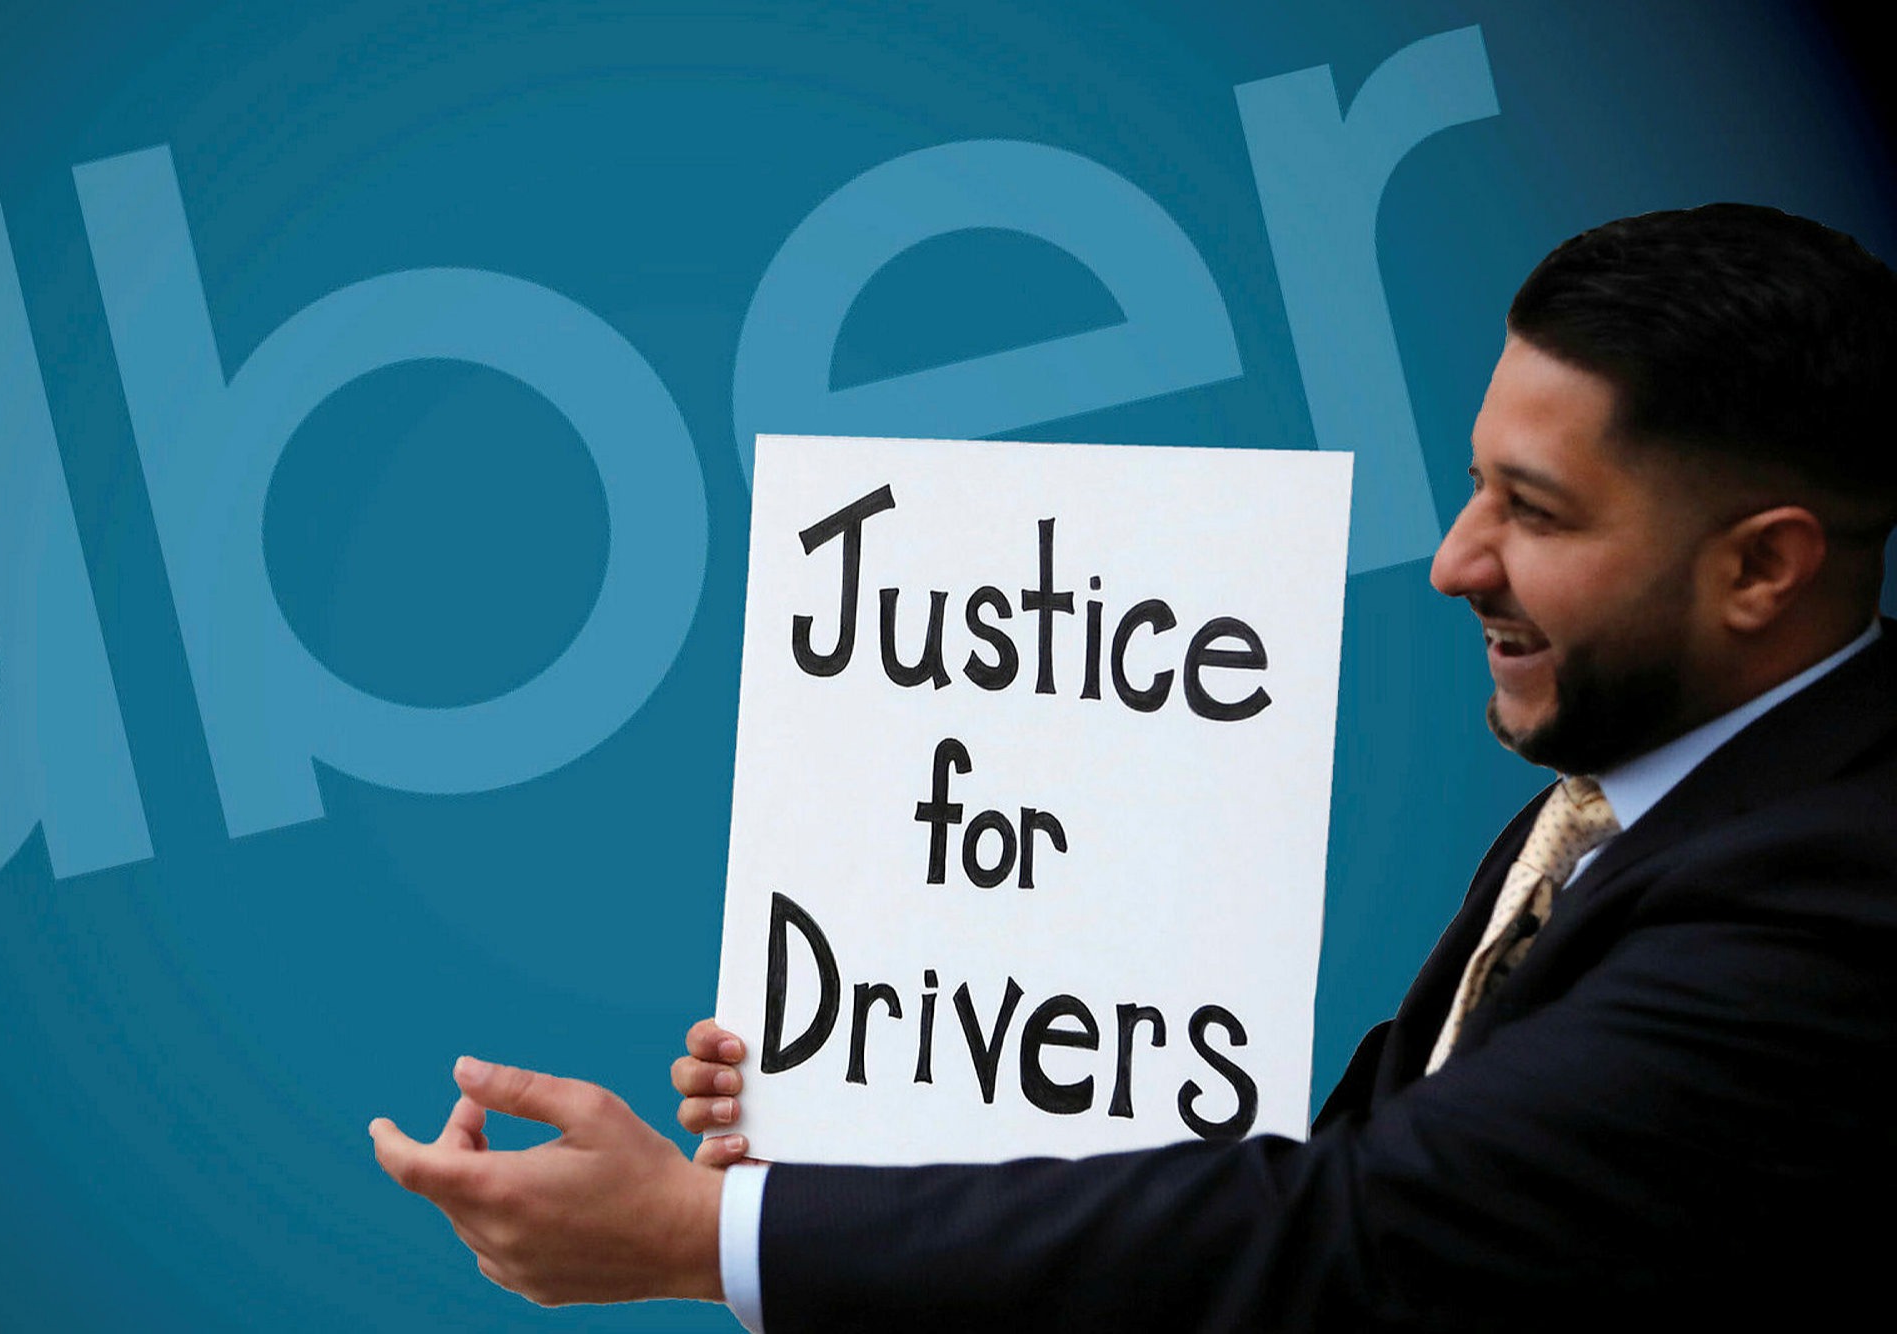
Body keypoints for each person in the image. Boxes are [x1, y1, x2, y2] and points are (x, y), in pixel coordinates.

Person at [369, 203, 1897, 1329]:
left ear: (1762, 566)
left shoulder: (1828, 887)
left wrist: (716, 1233)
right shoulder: (1612, 812)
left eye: (1538, 511)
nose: (1453, 560)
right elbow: (1384, 1162)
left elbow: (1355, 1235)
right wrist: (865, 1124)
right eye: (1474, 482)